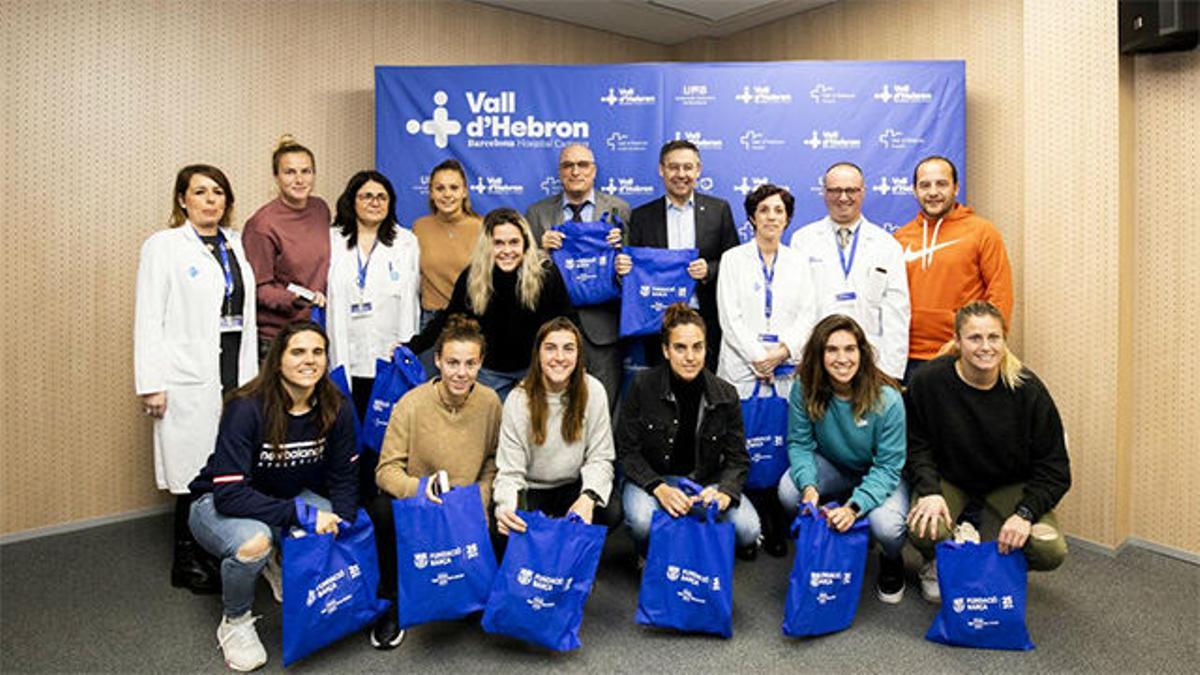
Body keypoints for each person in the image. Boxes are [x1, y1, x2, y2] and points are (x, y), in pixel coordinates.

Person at [187, 321, 358, 671]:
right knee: (255, 541)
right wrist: (307, 517)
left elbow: (344, 477)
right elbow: (230, 495)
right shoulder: (246, 407)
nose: (309, 360)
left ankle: (280, 560)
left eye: (317, 352)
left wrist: (342, 522)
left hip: (281, 497)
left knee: (338, 522)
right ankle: (235, 621)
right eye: (298, 352)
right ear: (278, 359)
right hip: (217, 504)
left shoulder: (336, 406)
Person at [135, 164, 258, 595]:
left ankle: (217, 546)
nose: (211, 200)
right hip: (186, 373)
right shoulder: (164, 246)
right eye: (201, 192)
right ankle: (185, 559)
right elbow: (149, 317)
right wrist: (151, 382)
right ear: (182, 199)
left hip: (233, 369)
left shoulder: (237, 245)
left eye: (218, 192)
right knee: (191, 469)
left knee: (227, 463)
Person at [905, 301, 1071, 604]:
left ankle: (996, 567)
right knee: (923, 526)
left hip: (1008, 483)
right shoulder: (929, 381)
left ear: (1004, 340)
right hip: (951, 479)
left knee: (1050, 550)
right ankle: (938, 560)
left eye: (993, 337)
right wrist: (929, 490)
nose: (986, 347)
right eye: (974, 338)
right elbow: (917, 444)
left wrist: (1025, 514)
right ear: (957, 341)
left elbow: (1055, 469)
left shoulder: (1028, 389)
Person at [368, 314, 502, 650]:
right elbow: (385, 471)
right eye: (453, 362)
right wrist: (419, 489)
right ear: (438, 360)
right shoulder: (410, 404)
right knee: (380, 510)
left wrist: (481, 497)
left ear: (481, 363)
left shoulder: (490, 402)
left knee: (507, 514)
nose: (461, 372)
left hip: (467, 503)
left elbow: (494, 461)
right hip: (422, 502)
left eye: (470, 363)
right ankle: (394, 602)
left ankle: (477, 591)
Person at [776, 314, 909, 603]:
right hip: (835, 467)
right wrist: (810, 488)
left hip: (878, 471)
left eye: (850, 349)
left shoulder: (888, 399)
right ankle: (820, 545)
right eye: (832, 350)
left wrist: (854, 507)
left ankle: (891, 558)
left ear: (862, 352)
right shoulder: (804, 387)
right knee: (790, 490)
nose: (842, 358)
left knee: (887, 527)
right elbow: (799, 444)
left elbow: (888, 467)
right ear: (819, 354)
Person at [715, 183, 817, 556]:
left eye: (779, 211)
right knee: (744, 440)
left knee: (779, 440)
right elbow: (730, 317)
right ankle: (747, 517)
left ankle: (774, 516)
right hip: (743, 367)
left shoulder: (800, 261)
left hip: (785, 368)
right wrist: (759, 356)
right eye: (764, 210)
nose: (771, 217)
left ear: (787, 218)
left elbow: (809, 313)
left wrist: (783, 351)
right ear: (752, 217)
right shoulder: (732, 260)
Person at [617, 303, 760, 561]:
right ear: (665, 350)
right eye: (680, 348)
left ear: (706, 348)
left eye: (698, 347)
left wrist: (725, 492)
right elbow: (627, 452)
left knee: (749, 531)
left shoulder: (726, 394)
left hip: (704, 483)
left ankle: (690, 544)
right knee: (641, 522)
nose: (690, 357)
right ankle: (651, 552)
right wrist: (658, 488)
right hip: (654, 479)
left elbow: (738, 459)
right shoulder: (642, 385)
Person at [408, 208, 576, 402]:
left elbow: (567, 321)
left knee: (535, 430)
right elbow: (449, 318)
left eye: (514, 242)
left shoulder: (546, 273)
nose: (507, 251)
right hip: (490, 373)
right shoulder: (473, 277)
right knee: (490, 430)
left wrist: (576, 362)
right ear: (487, 246)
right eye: (498, 243)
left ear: (526, 244)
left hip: (535, 370)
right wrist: (413, 347)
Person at [326, 170, 420, 501]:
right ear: (352, 200)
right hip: (347, 357)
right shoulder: (332, 239)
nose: (374, 202)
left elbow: (412, 300)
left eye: (381, 197)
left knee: (386, 439)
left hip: (387, 357)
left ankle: (381, 513)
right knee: (347, 439)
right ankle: (353, 510)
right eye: (366, 196)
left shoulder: (406, 240)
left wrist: (407, 351)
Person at [525, 144, 631, 411]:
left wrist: (619, 253)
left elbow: (633, 271)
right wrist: (541, 250)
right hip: (552, 327)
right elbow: (524, 273)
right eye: (567, 165)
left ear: (593, 171)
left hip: (603, 329)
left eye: (582, 165)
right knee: (553, 409)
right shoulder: (537, 214)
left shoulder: (620, 210)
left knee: (602, 407)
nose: (575, 171)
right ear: (560, 172)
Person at [618, 139, 739, 371]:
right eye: (673, 167)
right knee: (661, 394)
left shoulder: (719, 210)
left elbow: (734, 261)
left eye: (688, 167)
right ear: (661, 170)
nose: (681, 174)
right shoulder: (642, 216)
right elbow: (634, 271)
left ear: (698, 170)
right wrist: (624, 267)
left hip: (705, 318)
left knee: (706, 391)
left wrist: (709, 270)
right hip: (658, 322)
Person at [493, 317, 617, 538]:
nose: (559, 357)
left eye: (568, 349)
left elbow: (601, 457)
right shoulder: (518, 399)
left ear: (578, 355)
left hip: (572, 486)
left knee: (611, 510)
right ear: (538, 354)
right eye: (550, 348)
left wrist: (587, 498)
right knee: (502, 530)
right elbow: (510, 471)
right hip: (531, 490)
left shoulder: (594, 391)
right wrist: (506, 507)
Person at [892, 156, 1012, 383]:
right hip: (908, 359)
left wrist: (982, 346)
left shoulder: (982, 232)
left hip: (961, 355)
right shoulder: (900, 238)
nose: (933, 192)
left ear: (956, 188)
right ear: (914, 190)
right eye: (925, 185)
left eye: (942, 184)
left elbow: (1000, 294)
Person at [788, 162, 910, 380]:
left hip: (872, 361)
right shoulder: (803, 240)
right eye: (835, 190)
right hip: (818, 358)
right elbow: (796, 308)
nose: (843, 197)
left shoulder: (886, 244)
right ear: (824, 193)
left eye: (851, 190)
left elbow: (896, 312)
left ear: (863, 192)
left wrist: (890, 371)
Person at [242, 134, 331, 357]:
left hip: (315, 331)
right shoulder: (262, 224)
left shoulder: (320, 209)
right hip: (277, 339)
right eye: (289, 172)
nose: (299, 180)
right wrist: (296, 300)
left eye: (306, 171)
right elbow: (258, 288)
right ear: (276, 177)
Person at [411, 159, 483, 331]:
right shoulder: (419, 227)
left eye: (454, 188)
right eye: (440, 188)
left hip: (471, 318)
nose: (447, 194)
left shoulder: (483, 228)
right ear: (431, 193)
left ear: (464, 192)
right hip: (431, 319)